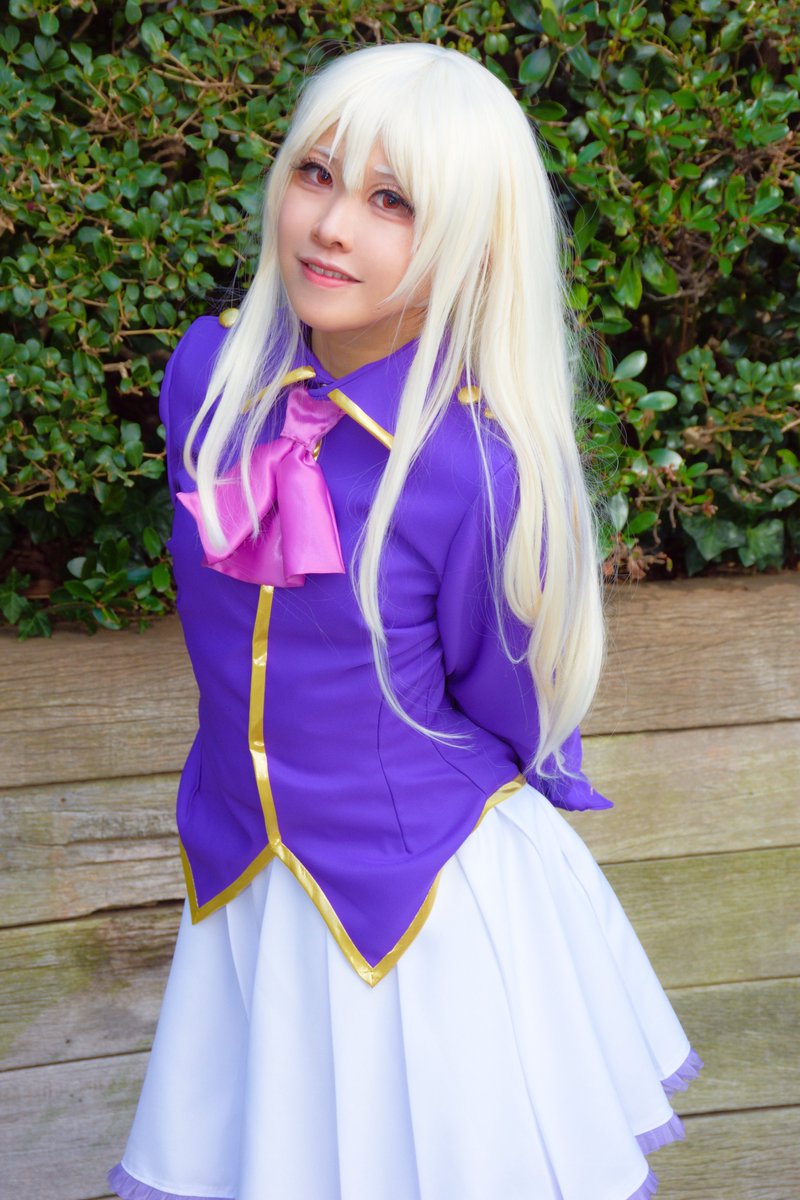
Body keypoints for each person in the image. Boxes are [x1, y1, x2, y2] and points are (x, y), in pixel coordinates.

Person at [108, 41, 701, 1200]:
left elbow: (504, 693)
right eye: (315, 174)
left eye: (393, 202)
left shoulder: (475, 469)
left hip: (418, 897)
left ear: (471, 243)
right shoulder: (205, 377)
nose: (332, 226)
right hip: (240, 872)